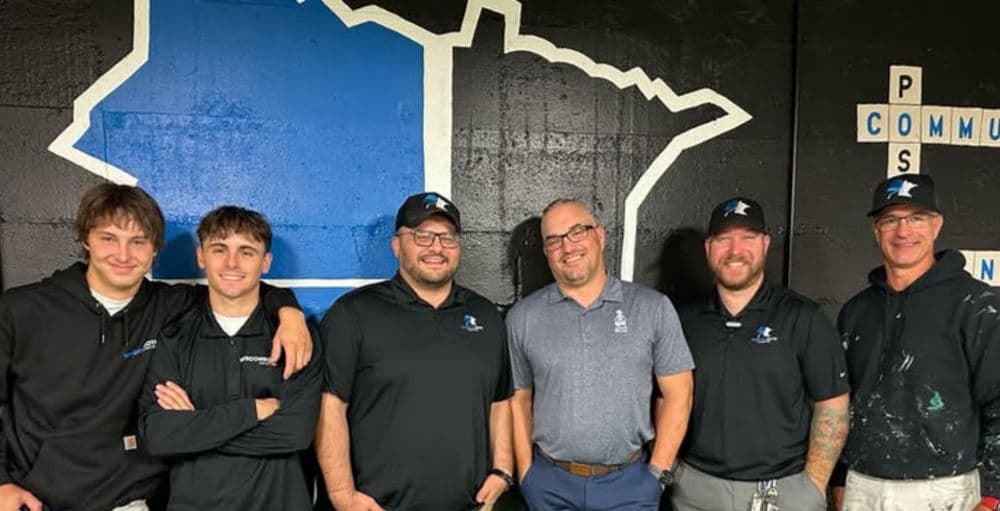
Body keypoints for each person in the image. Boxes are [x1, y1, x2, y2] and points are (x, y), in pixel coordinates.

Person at [0, 184, 311, 511]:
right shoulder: (22, 309)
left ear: (155, 250)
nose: (123, 255)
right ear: (85, 239)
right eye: (109, 238)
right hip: (37, 499)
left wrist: (288, 311)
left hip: (131, 501)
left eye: (138, 242)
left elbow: (236, 286)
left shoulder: (169, 305)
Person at [316, 192, 514, 511]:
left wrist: (502, 469)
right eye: (422, 235)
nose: (436, 247)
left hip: (468, 505)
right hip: (378, 506)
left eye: (447, 237)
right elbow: (330, 406)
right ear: (397, 244)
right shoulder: (353, 313)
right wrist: (342, 494)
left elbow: (500, 400)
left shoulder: (486, 315)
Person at [506, 198, 694, 511]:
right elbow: (518, 399)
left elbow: (680, 394)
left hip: (630, 485)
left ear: (601, 236)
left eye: (577, 232)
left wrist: (657, 475)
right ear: (546, 251)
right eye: (554, 240)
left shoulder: (652, 308)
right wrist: (527, 474)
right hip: (551, 486)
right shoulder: (523, 317)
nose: (568, 247)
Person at [833, 174, 1000, 511]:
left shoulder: (979, 305)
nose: (903, 231)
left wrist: (992, 495)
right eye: (891, 219)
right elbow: (840, 405)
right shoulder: (856, 311)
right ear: (875, 230)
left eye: (916, 218)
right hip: (863, 486)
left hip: (946, 490)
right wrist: (839, 481)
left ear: (936, 225)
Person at [671, 197, 850, 511]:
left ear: (765, 244)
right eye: (724, 239)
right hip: (697, 491)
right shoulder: (684, 322)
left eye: (747, 238)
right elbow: (665, 399)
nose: (735, 251)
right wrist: (674, 471)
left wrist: (812, 485)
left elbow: (832, 404)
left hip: (783, 491)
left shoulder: (803, 317)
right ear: (708, 247)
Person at [138, 206, 321, 509]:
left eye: (247, 252)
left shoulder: (295, 337)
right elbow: (159, 437)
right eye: (219, 249)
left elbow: (295, 433)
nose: (232, 263)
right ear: (201, 257)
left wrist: (193, 429)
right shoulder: (175, 336)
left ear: (266, 262)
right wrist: (252, 410)